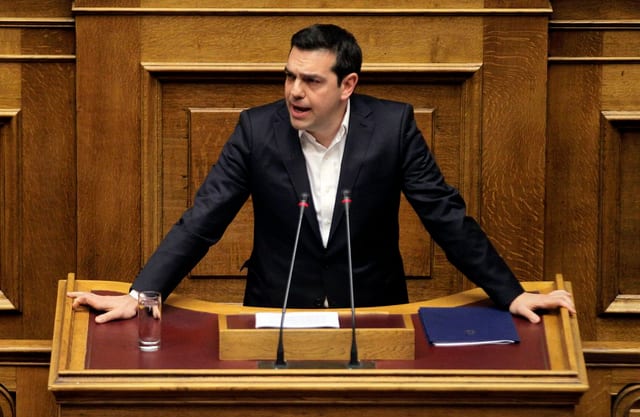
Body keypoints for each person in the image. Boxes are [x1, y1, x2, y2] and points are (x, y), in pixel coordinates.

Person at [69, 24, 575, 324]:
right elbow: (204, 218)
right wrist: (143, 294)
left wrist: (511, 293)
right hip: (279, 311)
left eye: (311, 80)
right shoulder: (257, 129)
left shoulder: (393, 128)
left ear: (347, 84)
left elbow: (445, 217)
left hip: (373, 313)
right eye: (289, 76)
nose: (294, 91)